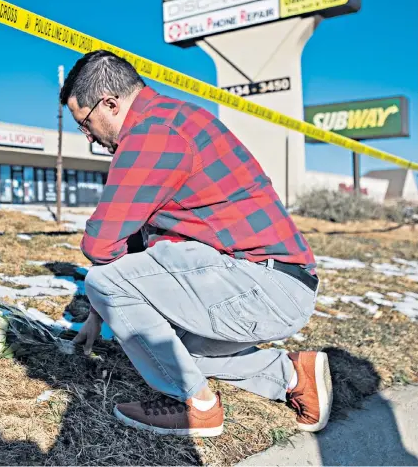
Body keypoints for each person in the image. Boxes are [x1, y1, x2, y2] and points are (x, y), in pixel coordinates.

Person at [61, 50, 332, 437]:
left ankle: (197, 406)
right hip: (278, 284)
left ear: (110, 103)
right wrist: (97, 315)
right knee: (168, 353)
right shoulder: (174, 120)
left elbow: (101, 243)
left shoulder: (152, 135)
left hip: (262, 285)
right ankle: (293, 375)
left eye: (85, 123)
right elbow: (139, 243)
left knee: (106, 285)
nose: (88, 136)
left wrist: (102, 295)